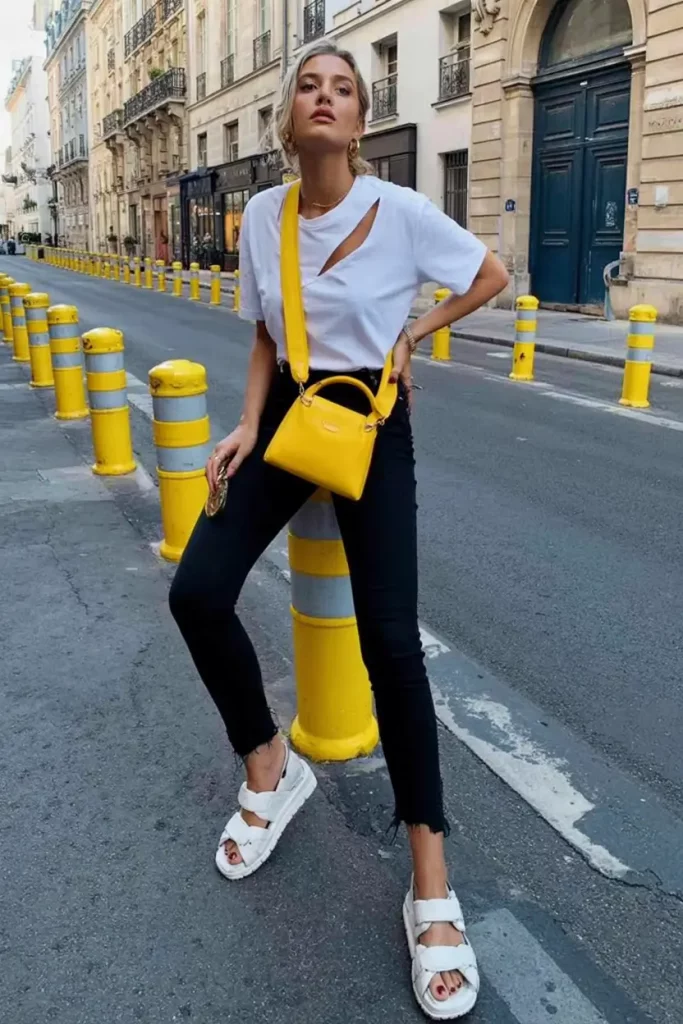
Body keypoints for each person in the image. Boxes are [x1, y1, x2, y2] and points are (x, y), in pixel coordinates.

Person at [169, 39, 508, 1020]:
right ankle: (269, 770)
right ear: (286, 120)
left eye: (342, 89)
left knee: (389, 644)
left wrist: (416, 330)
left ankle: (429, 879)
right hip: (286, 420)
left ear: (359, 120)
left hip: (368, 420)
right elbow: (268, 332)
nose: (324, 98)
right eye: (308, 87)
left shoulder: (398, 211)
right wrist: (244, 422)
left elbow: (487, 271)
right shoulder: (265, 216)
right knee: (196, 590)